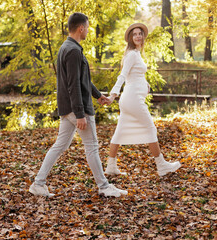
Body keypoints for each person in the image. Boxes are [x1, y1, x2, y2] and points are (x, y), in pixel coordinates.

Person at [29, 12, 128, 197]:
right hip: (77, 108)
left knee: (60, 145)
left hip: (67, 108)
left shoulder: (66, 47)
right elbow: (73, 84)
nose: (88, 31)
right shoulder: (73, 50)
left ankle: (38, 183)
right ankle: (104, 186)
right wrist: (80, 113)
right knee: (91, 146)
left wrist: (98, 95)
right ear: (81, 28)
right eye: (88, 28)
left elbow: (81, 79)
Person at [105, 23, 181, 177]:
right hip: (132, 99)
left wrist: (145, 84)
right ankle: (161, 165)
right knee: (150, 128)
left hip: (131, 98)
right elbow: (123, 75)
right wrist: (113, 94)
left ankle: (110, 166)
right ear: (130, 38)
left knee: (119, 133)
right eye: (135, 34)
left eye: (140, 33)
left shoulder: (137, 54)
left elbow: (136, 75)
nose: (138, 36)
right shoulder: (132, 54)